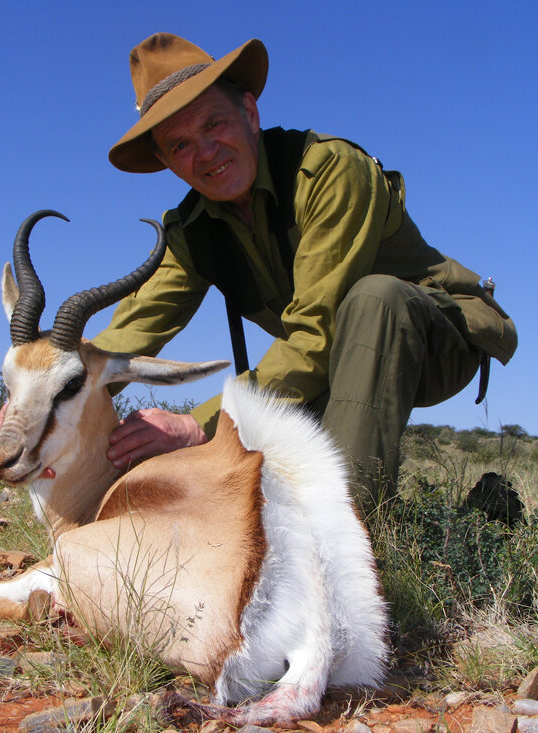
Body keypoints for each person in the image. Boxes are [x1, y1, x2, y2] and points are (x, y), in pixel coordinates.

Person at [68, 34, 521, 507]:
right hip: (335, 361)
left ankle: (354, 520)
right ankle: (484, 508)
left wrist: (194, 426)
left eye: (215, 123)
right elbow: (120, 343)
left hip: (434, 343)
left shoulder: (329, 171)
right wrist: (33, 400)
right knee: (266, 486)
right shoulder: (189, 232)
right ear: (165, 162)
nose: (205, 153)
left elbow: (315, 336)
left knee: (374, 299)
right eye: (180, 145)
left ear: (250, 113)